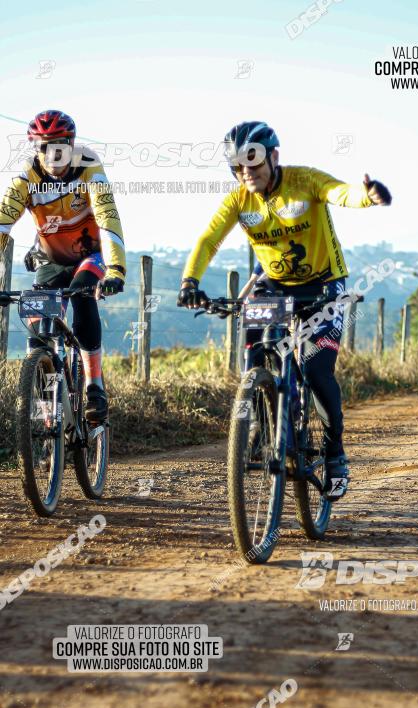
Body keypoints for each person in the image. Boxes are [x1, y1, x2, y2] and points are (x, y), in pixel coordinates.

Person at [178, 121, 391, 501]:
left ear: (274, 157)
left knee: (315, 368)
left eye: (254, 164)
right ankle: (264, 415)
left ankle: (335, 453)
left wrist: (367, 195)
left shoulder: (304, 180)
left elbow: (339, 192)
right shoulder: (239, 201)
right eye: (238, 168)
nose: (247, 174)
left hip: (324, 285)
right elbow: (209, 239)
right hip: (274, 285)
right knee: (255, 351)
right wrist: (189, 282)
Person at [0, 109, 126, 423]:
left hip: (89, 254)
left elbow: (107, 217)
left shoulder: (88, 165)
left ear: (71, 144)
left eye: (60, 145)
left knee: (84, 299)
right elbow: (2, 223)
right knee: (39, 329)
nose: (54, 154)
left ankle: (94, 386)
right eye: (45, 146)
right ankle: (45, 419)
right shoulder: (26, 176)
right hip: (51, 258)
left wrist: (116, 269)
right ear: (35, 148)